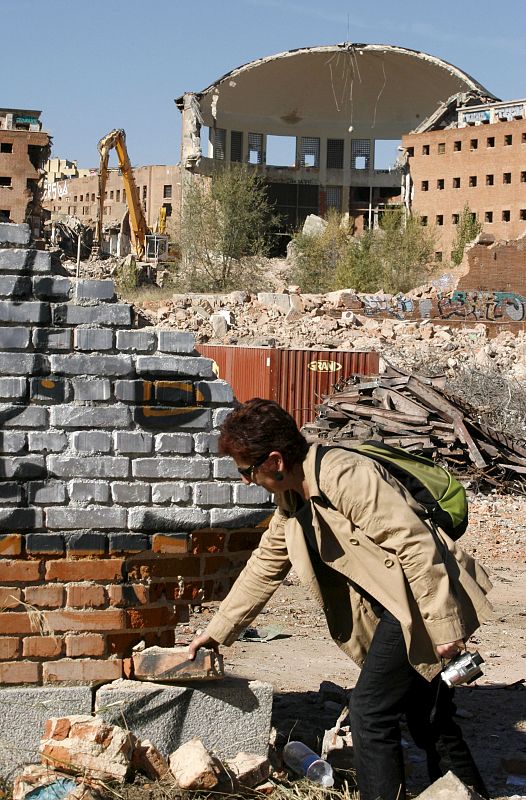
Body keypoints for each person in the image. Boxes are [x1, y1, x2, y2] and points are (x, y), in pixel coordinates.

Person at [188, 398, 492, 800]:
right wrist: (217, 632)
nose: (246, 480)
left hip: (418, 604)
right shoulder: (292, 499)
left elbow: (416, 545)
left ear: (275, 461)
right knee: (428, 718)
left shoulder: (345, 476)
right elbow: (265, 564)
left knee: (370, 713)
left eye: (247, 470)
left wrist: (444, 626)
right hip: (395, 604)